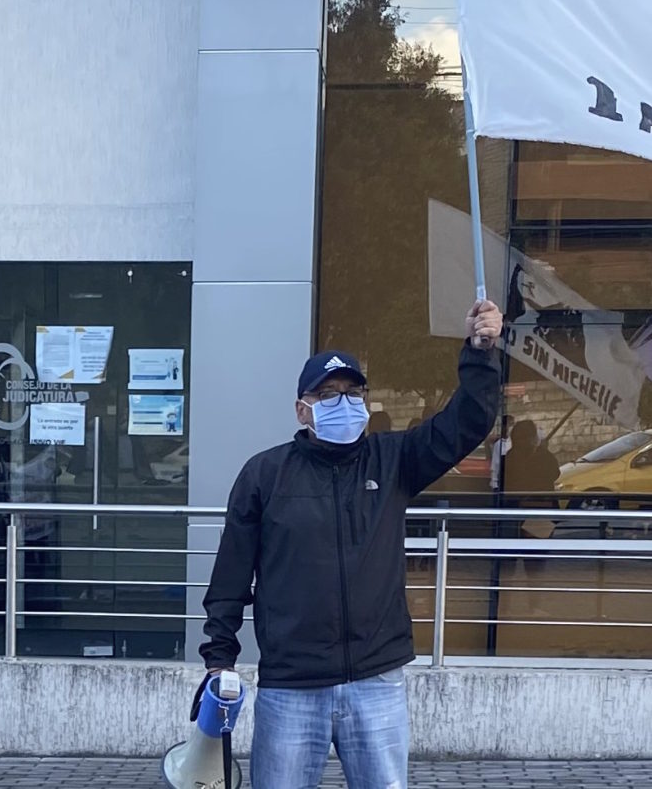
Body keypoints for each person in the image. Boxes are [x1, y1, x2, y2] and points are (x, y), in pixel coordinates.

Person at [200, 299, 505, 789]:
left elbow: (466, 422)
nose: (343, 402)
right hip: (292, 685)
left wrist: (480, 352)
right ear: (301, 409)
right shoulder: (265, 474)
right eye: (328, 394)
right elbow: (231, 574)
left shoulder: (394, 460)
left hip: (375, 680)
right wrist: (220, 658)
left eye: (352, 392)